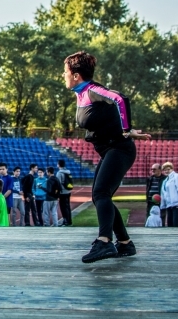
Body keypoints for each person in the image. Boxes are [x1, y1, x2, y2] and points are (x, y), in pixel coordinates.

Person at [64, 51, 150, 263]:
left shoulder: (93, 90)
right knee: (99, 195)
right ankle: (124, 243)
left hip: (120, 149)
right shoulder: (82, 94)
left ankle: (104, 241)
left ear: (76, 75)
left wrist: (127, 129)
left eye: (65, 72)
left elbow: (120, 99)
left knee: (101, 193)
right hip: (111, 149)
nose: (63, 76)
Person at [160, 162, 178, 228]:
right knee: (170, 224)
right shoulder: (165, 180)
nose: (167, 171)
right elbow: (163, 194)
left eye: (168, 169)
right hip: (169, 205)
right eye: (165, 170)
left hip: (177, 204)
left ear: (172, 169)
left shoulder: (177, 177)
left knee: (176, 224)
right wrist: (163, 205)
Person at [56, 160, 73, 226]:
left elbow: (58, 183)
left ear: (59, 165)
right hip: (68, 191)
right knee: (67, 206)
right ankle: (69, 221)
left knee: (63, 207)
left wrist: (57, 192)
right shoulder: (68, 172)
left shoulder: (59, 173)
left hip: (62, 192)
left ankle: (65, 221)